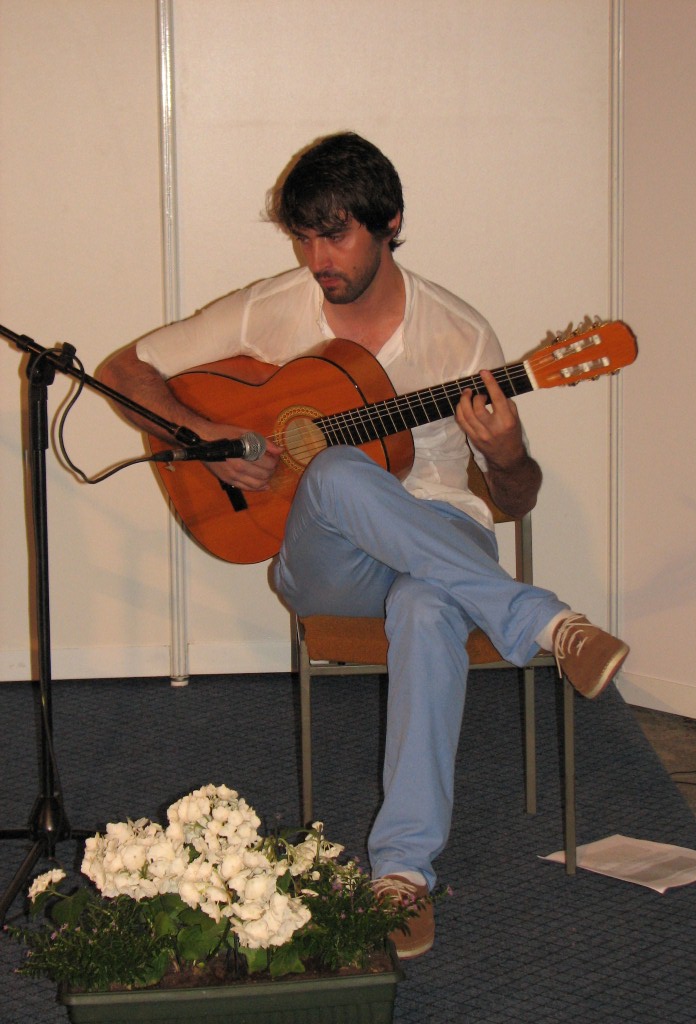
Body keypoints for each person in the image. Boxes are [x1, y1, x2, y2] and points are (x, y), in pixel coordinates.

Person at [98, 132, 629, 959]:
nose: (318, 259)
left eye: (336, 235)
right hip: (326, 559)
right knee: (340, 469)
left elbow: (516, 499)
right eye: (305, 237)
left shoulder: (459, 333)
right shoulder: (272, 307)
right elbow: (124, 369)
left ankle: (402, 875)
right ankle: (547, 622)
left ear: (390, 224)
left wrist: (507, 454)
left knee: (425, 604)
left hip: (443, 533)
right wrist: (207, 440)